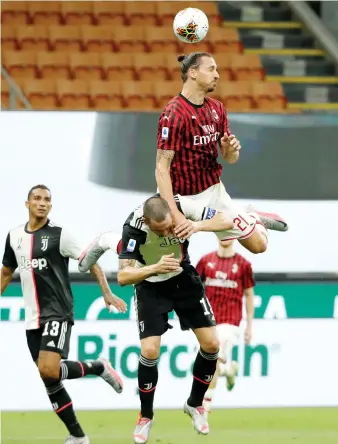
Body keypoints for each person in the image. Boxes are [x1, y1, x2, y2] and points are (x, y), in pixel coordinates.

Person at [79, 194, 235, 443]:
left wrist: (197, 225)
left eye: (170, 226)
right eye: (161, 230)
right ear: (147, 222)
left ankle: (195, 404)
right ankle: (146, 416)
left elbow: (226, 220)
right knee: (150, 350)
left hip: (182, 277)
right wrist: (154, 268)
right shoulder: (133, 227)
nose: (169, 232)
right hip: (150, 283)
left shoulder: (181, 208)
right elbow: (123, 277)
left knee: (212, 345)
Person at [0, 185, 127, 444]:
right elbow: (5, 273)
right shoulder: (14, 236)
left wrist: (106, 292)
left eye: (47, 199)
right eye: (37, 199)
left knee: (48, 369)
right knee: (50, 377)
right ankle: (78, 436)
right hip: (32, 317)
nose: (43, 203)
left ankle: (98, 368)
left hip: (57, 311)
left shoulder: (59, 235)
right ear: (27, 204)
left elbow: (90, 261)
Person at [155, 52, 288, 253]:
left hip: (213, 193)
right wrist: (174, 213)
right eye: (211, 69)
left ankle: (252, 216)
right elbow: (161, 168)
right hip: (179, 198)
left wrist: (230, 150)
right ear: (192, 72)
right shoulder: (173, 114)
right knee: (164, 258)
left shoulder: (217, 109)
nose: (217, 75)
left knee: (259, 246)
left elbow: (230, 159)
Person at [195, 240, 255, 417]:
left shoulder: (244, 265)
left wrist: (249, 326)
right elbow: (194, 289)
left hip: (231, 321)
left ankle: (205, 405)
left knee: (213, 359)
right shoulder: (206, 261)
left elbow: (249, 294)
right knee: (207, 361)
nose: (225, 237)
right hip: (208, 320)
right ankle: (229, 370)